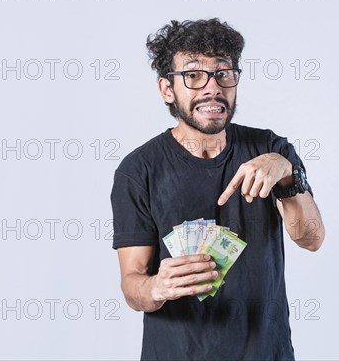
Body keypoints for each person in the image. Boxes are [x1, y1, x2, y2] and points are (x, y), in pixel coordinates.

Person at [110, 18, 325, 361]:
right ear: (167, 89)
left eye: (223, 73)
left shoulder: (270, 149)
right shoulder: (138, 171)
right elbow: (132, 285)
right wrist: (156, 287)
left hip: (266, 353)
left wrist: (287, 176)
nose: (212, 88)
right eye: (194, 75)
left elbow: (311, 238)